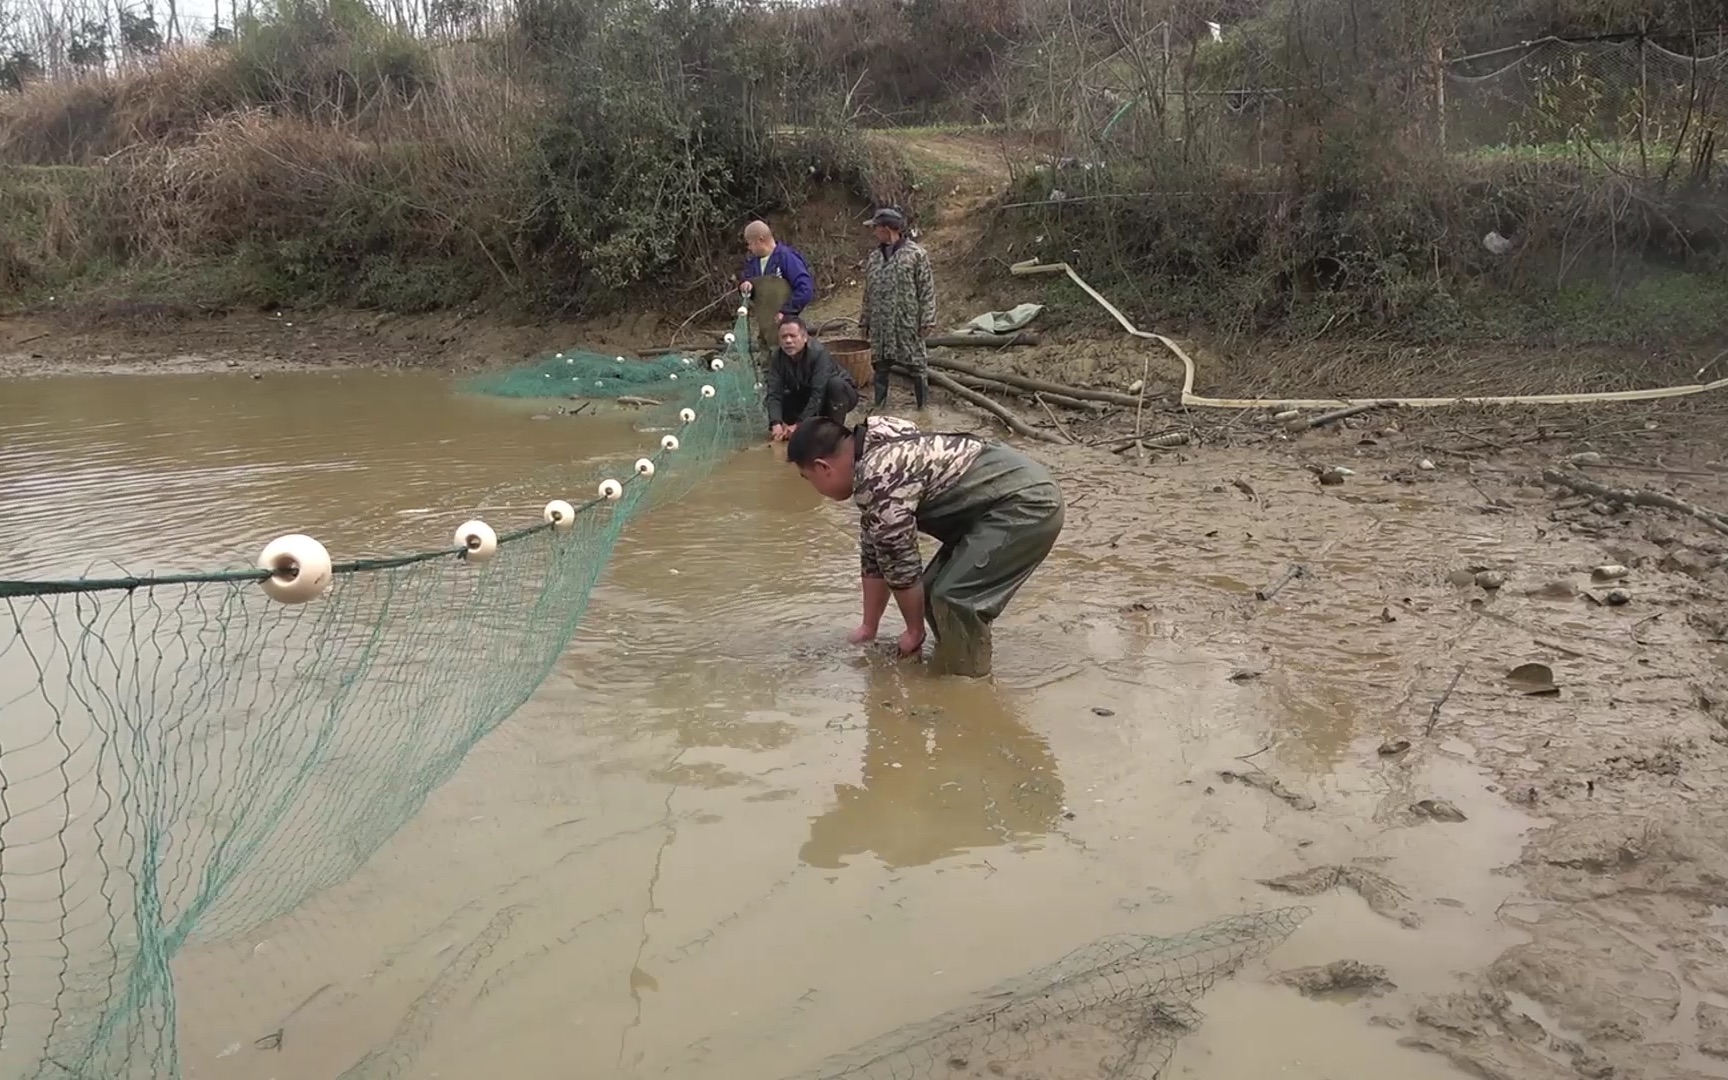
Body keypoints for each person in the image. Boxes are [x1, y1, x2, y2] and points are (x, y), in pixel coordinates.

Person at [785, 414, 1065, 678]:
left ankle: (968, 686)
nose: (814, 488)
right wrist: (869, 628)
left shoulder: (879, 478)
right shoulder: (873, 450)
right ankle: (954, 661)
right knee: (932, 590)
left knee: (954, 598)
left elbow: (901, 563)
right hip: (1000, 499)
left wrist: (914, 632)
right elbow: (875, 553)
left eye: (809, 479)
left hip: (1027, 503)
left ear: (824, 467)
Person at [859, 207, 935, 411]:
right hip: (880, 323)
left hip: (906, 322)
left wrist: (928, 318)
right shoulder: (874, 257)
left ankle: (923, 407)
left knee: (917, 365)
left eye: (876, 227)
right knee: (880, 365)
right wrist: (864, 320)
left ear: (886, 229)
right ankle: (880, 406)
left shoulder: (916, 254)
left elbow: (926, 289)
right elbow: (868, 291)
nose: (874, 232)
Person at [765, 317, 859, 441]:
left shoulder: (819, 353)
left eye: (793, 336)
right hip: (805, 393)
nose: (788, 341)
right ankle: (796, 428)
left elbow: (818, 393)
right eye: (784, 337)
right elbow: (774, 393)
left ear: (804, 338)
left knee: (835, 384)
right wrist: (775, 422)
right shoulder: (777, 357)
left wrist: (800, 424)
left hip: (838, 395)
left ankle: (835, 432)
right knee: (784, 397)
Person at [738, 220, 815, 325]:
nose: (749, 248)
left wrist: (786, 312)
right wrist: (745, 286)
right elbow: (747, 284)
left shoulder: (787, 257)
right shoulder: (753, 264)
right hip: (764, 327)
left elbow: (805, 289)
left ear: (760, 240)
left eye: (750, 243)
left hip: (788, 326)